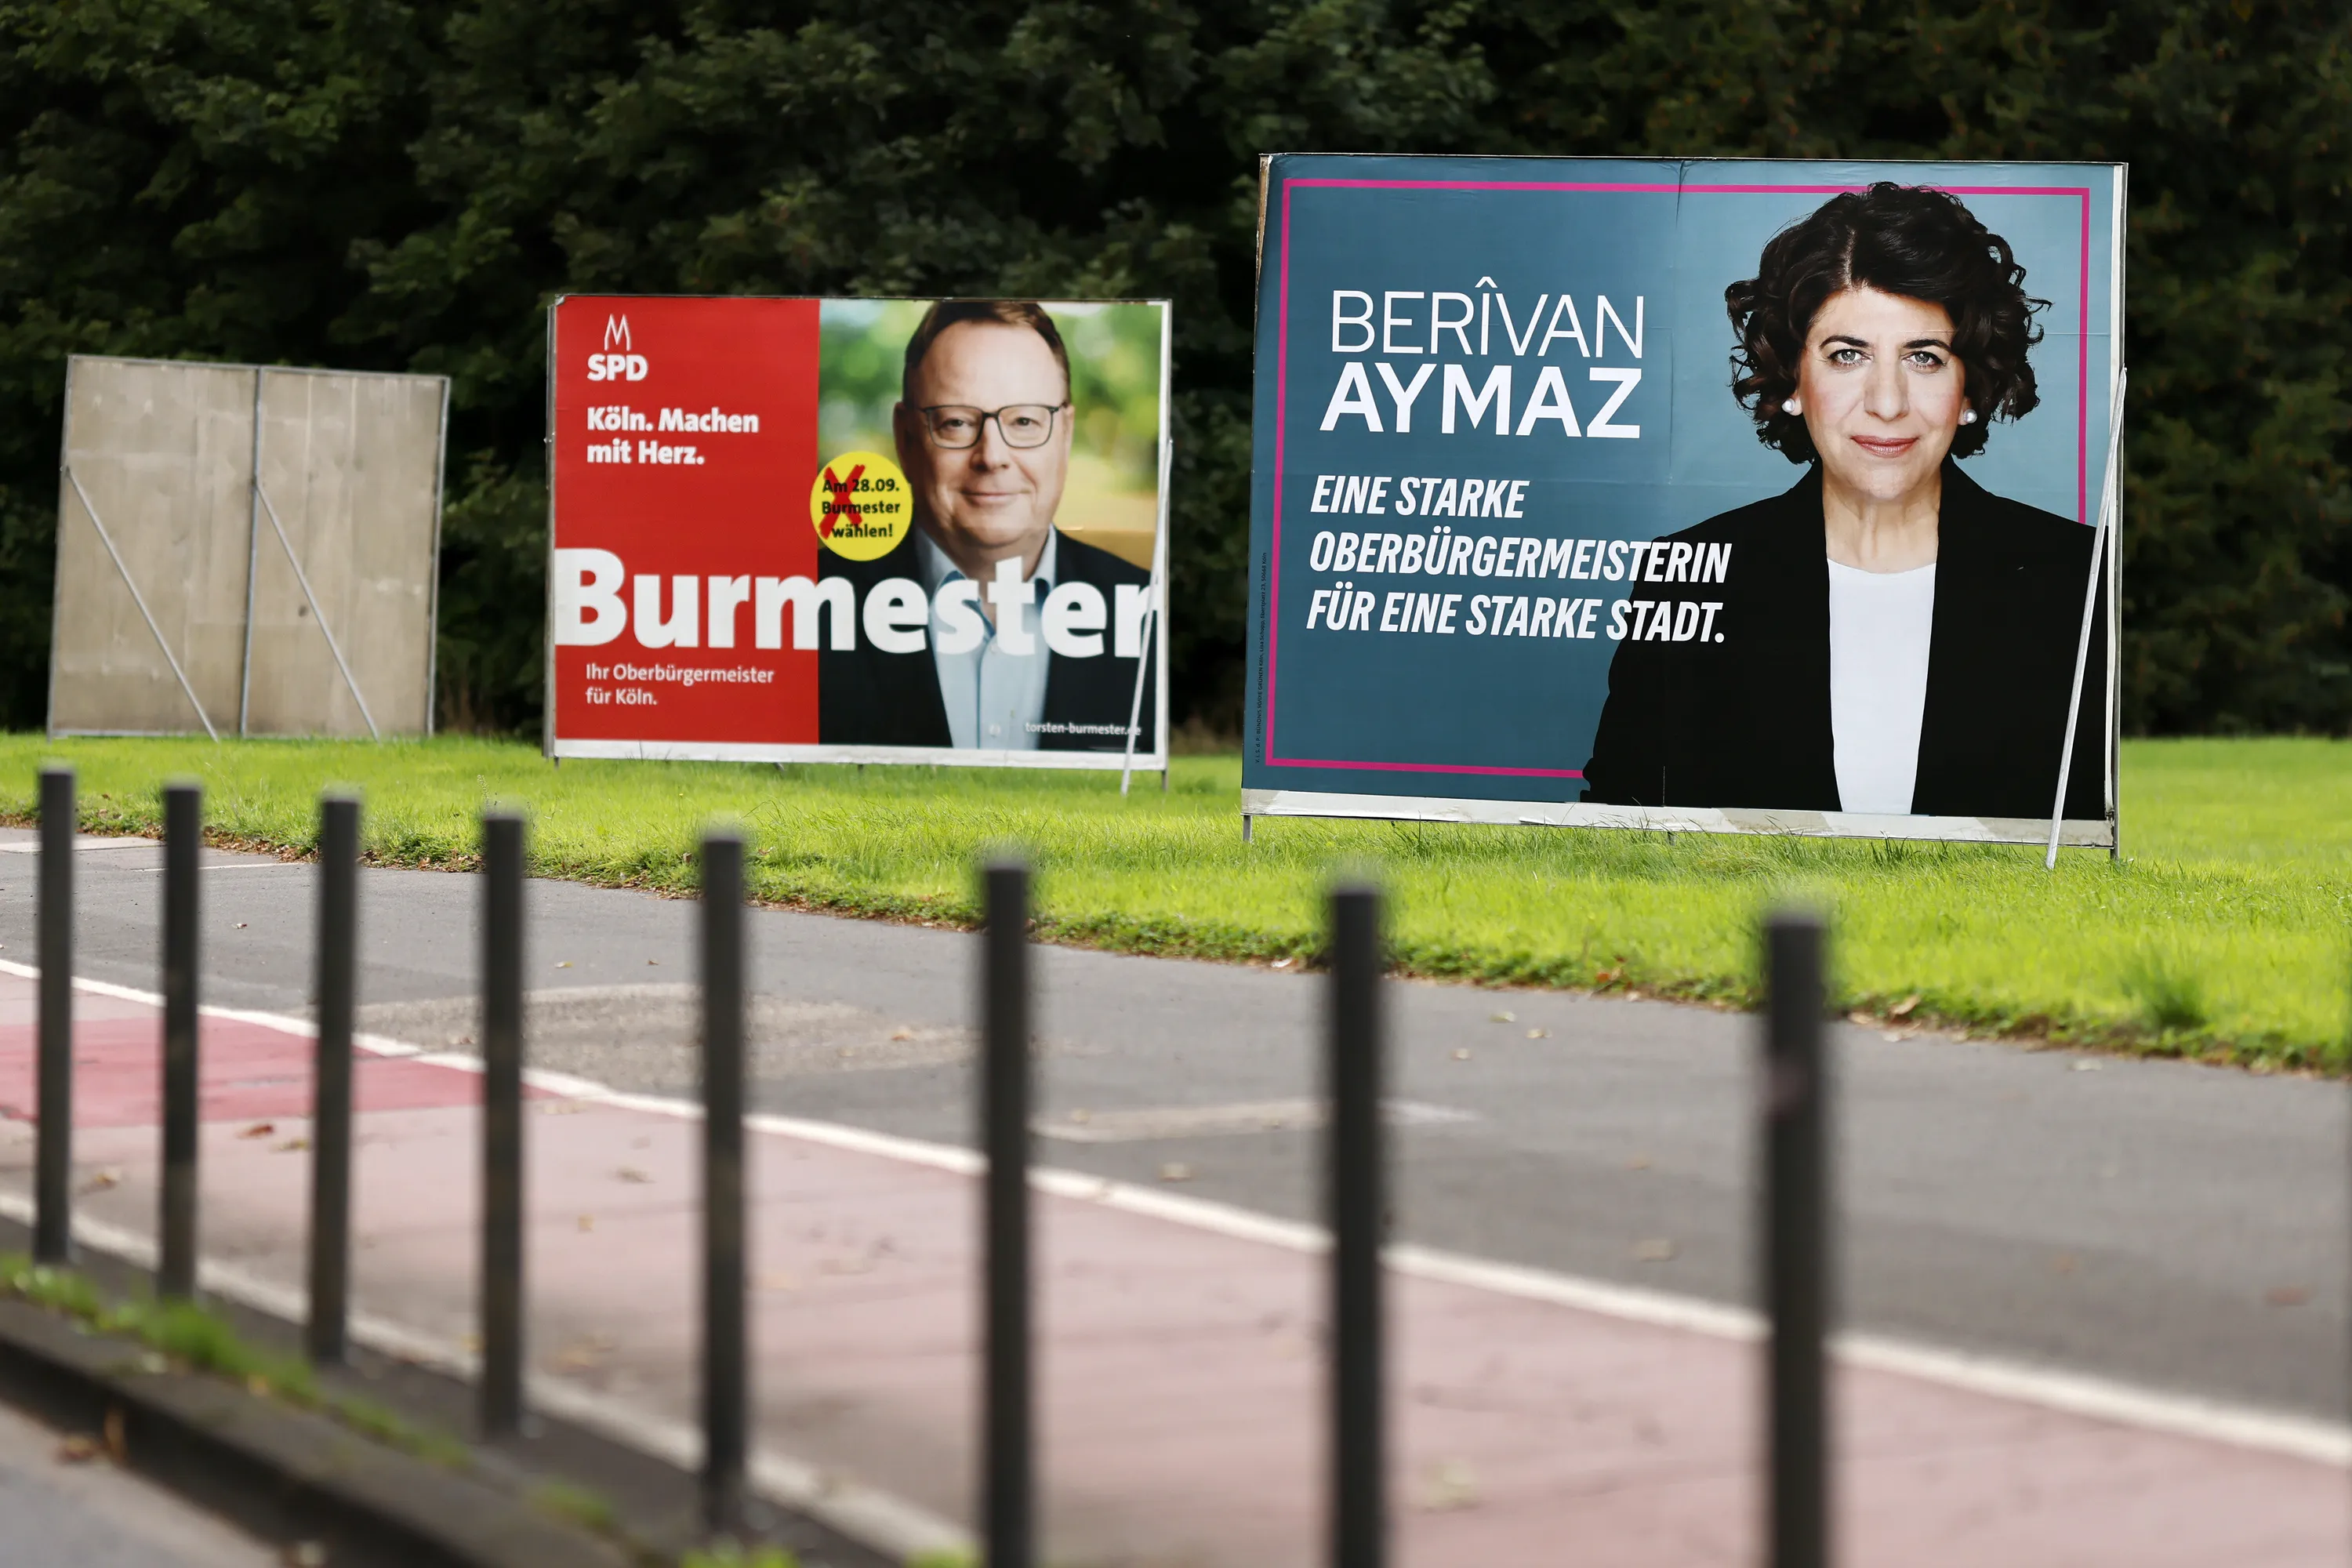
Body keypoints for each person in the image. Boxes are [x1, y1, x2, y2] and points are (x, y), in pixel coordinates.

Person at [1581, 183, 2107, 821]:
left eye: (1924, 357)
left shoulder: (2082, 578)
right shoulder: (1690, 574)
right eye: (1848, 355)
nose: (1887, 402)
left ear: (1969, 390)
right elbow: (1612, 830)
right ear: (1793, 379)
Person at [819, 299, 1156, 750]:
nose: (993, 457)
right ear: (906, 438)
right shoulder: (809, 604)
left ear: (1066, 435)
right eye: (957, 422)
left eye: (1024, 421)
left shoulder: (1147, 614)